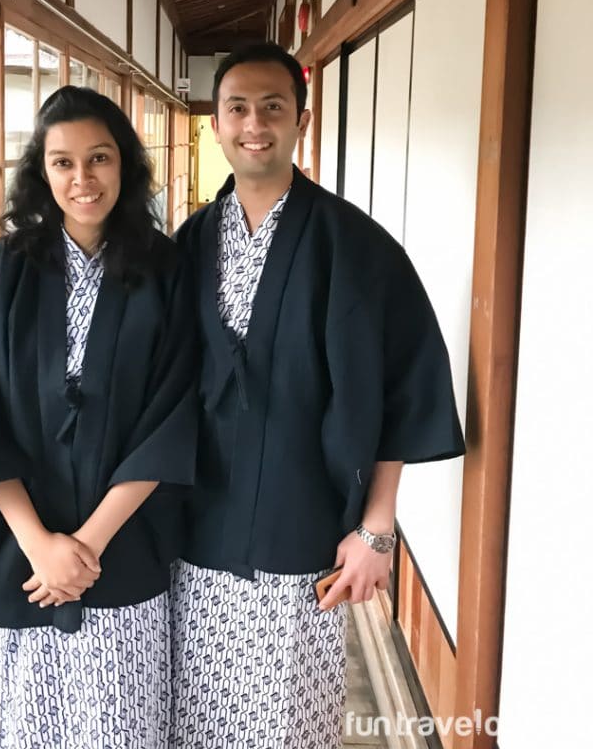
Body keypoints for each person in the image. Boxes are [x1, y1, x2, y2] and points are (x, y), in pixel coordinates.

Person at [170, 42, 465, 749]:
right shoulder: (187, 244)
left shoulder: (355, 246)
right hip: (193, 532)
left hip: (300, 530)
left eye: (273, 107)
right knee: (195, 718)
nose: (254, 124)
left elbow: (404, 387)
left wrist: (376, 531)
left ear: (301, 119)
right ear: (216, 124)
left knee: (284, 722)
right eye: (237, 108)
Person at [0, 86, 197, 749]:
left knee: (122, 724)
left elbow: (174, 411)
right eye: (63, 162)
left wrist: (88, 546)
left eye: (99, 159)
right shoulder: (5, 272)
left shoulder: (165, 270)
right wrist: (43, 548)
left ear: (125, 165)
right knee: (24, 725)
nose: (83, 179)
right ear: (41, 172)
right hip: (19, 549)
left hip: (122, 545)